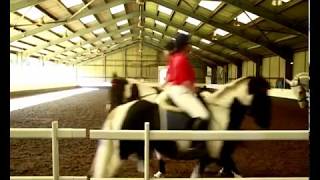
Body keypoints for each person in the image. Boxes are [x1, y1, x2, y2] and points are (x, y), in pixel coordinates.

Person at [165, 34, 210, 130]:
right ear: (185, 46)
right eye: (190, 44)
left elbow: (169, 76)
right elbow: (185, 82)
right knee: (204, 116)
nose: (191, 46)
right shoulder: (181, 59)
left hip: (175, 90)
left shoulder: (175, 58)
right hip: (182, 92)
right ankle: (196, 142)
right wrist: (195, 90)